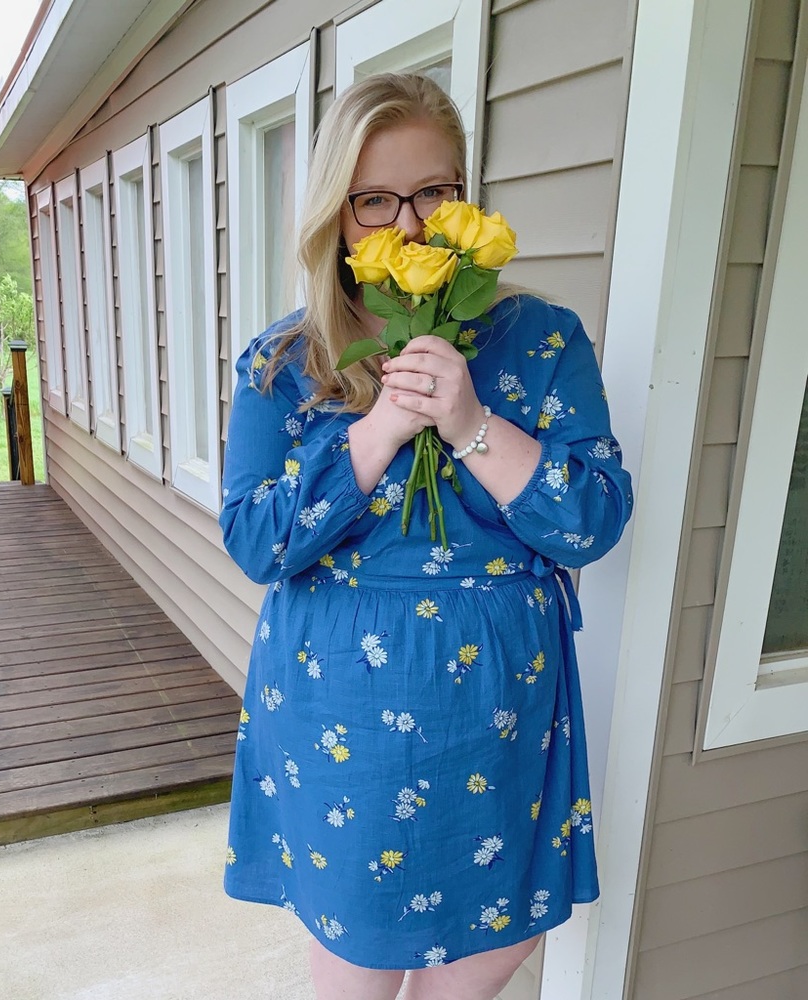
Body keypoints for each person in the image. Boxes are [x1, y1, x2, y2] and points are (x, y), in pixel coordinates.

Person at [218, 72, 633, 1000]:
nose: (407, 227)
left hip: (498, 695)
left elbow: (593, 519)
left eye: (432, 193)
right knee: (361, 950)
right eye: (374, 200)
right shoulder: (287, 360)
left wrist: (472, 423)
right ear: (337, 214)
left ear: (463, 195)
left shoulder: (542, 337)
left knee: (498, 931)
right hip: (343, 702)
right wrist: (379, 430)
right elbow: (254, 540)